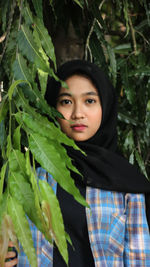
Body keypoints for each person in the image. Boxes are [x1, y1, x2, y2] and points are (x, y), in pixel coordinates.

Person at [4, 60, 150, 266]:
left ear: (105, 106)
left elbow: (140, 259)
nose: (77, 114)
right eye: (66, 101)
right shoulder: (28, 175)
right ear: (52, 107)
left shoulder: (127, 182)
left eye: (89, 101)